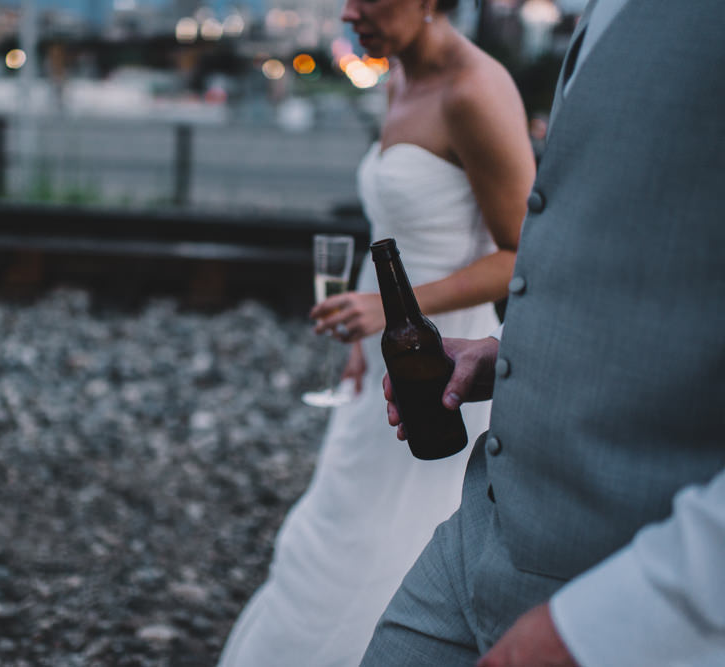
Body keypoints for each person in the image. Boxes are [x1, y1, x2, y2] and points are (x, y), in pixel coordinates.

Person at [361, 0, 725, 665]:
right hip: (485, 521)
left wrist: (643, 610)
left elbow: (513, 244)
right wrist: (508, 358)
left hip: (615, 565)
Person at [218, 0, 535, 664]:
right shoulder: (396, 74)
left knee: (397, 538)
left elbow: (523, 254)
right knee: (341, 521)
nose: (349, 10)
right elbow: (397, 231)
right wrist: (365, 338)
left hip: (442, 364)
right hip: (385, 354)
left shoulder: (475, 88)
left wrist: (389, 309)